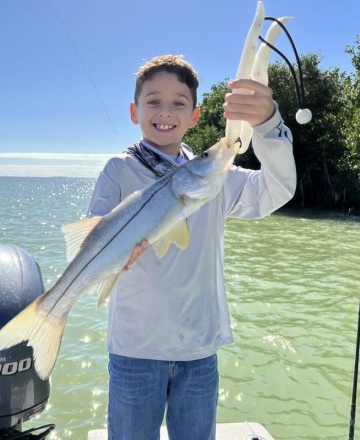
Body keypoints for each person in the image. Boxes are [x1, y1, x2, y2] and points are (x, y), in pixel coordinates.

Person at [86, 54, 296, 440]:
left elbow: (276, 190)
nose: (165, 111)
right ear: (135, 111)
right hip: (135, 349)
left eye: (179, 103)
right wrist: (114, 253)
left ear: (195, 116)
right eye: (153, 101)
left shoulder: (213, 175)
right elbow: (92, 235)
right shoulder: (118, 169)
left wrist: (268, 124)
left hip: (199, 350)